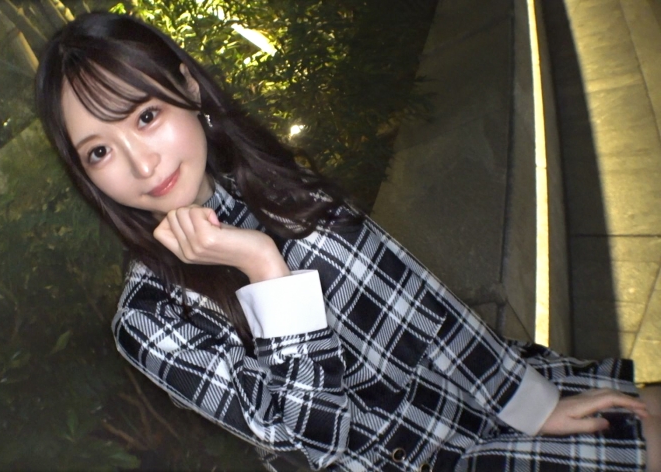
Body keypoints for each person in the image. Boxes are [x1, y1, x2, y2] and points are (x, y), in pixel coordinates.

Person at [35, 11, 660, 472]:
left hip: (472, 382)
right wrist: (264, 270)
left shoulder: (270, 184)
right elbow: (314, 438)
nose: (141, 165)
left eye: (146, 117)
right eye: (99, 151)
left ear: (189, 90)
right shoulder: (148, 317)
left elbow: (417, 301)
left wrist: (531, 403)